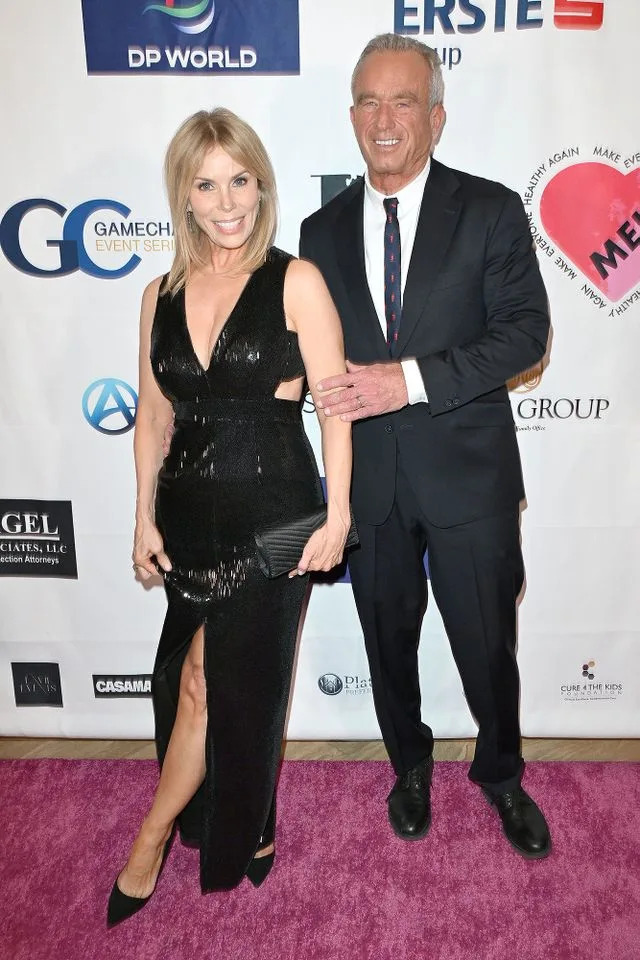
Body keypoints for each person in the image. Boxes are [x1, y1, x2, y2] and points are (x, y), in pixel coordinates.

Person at [299, 34, 551, 859]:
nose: (384, 118)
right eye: (369, 101)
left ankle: (501, 773)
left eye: (403, 101)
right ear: (350, 116)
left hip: (468, 475)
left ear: (435, 116)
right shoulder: (319, 229)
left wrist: (405, 381)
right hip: (368, 484)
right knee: (386, 638)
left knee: (487, 643)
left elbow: (525, 336)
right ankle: (409, 765)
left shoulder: (490, 209)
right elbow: (307, 352)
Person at [107, 107, 352, 926]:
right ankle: (254, 820)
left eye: (239, 179)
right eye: (207, 183)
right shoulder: (158, 295)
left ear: (261, 182)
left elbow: (337, 408)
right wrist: (142, 516)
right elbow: (151, 416)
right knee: (197, 681)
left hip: (277, 517)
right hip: (187, 518)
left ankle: (150, 837)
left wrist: (338, 511)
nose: (227, 201)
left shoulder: (296, 281)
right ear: (183, 195)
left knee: (216, 681)